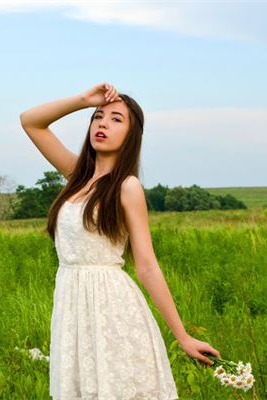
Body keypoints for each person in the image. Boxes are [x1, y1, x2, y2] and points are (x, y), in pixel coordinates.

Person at [20, 83, 220, 399]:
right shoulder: (76, 176)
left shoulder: (127, 187)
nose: (103, 124)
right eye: (98, 117)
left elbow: (147, 265)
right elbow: (31, 121)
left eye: (116, 119)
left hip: (112, 308)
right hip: (73, 306)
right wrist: (83, 100)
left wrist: (182, 336)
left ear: (131, 135)